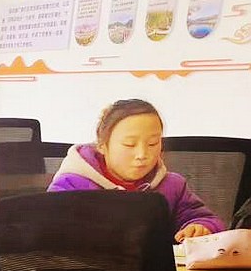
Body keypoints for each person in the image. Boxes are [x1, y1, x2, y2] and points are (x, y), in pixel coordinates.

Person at [48, 98, 225, 241]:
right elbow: (48, 235)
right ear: (102, 146)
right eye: (129, 144)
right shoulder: (71, 185)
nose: (142, 154)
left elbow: (207, 219)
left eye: (153, 143)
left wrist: (200, 228)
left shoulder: (173, 185)